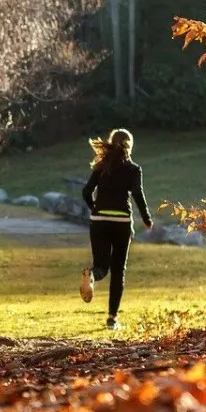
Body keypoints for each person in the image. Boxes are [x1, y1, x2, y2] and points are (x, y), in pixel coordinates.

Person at [78, 128, 153, 330]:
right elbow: (138, 194)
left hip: (99, 221)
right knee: (118, 271)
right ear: (130, 146)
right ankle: (112, 319)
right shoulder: (133, 169)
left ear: (111, 143)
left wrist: (95, 208)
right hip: (121, 223)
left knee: (101, 265)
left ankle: (91, 275)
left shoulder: (101, 167)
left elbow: (86, 191)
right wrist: (146, 218)